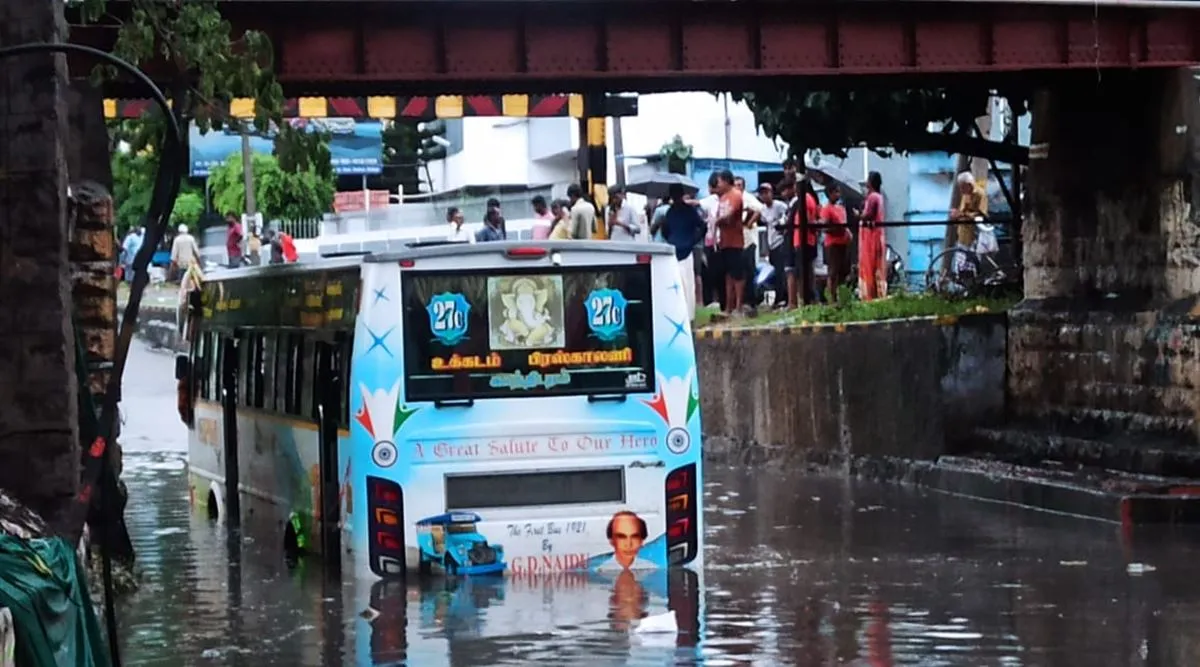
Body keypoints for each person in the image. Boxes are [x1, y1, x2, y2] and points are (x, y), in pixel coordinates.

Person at [660, 183, 707, 321]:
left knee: (683, 283)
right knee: (684, 284)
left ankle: (686, 315)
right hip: (680, 250)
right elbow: (703, 227)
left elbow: (665, 231)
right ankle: (685, 315)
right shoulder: (674, 212)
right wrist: (692, 240)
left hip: (681, 250)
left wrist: (691, 241)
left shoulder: (675, 212)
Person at [714, 170, 745, 315]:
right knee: (728, 275)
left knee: (737, 274)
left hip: (735, 241)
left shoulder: (736, 194)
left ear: (726, 181)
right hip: (724, 241)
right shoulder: (723, 197)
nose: (718, 184)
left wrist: (719, 221)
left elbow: (731, 213)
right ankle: (728, 307)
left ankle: (739, 306)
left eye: (719, 181)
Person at [856, 171, 887, 301]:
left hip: (871, 236)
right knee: (877, 264)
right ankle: (877, 292)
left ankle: (869, 294)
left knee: (869, 264)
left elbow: (868, 215)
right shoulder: (879, 196)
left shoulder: (873, 197)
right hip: (877, 234)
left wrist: (858, 215)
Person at [759, 182, 791, 309]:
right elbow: (767, 227)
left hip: (780, 241)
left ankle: (782, 298)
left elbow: (786, 219)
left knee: (781, 271)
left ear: (771, 193)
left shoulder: (780, 206)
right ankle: (779, 297)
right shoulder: (763, 210)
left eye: (766, 192)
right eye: (762, 193)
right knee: (776, 272)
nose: (764, 196)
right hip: (771, 243)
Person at [790, 179, 821, 307]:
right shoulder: (809, 199)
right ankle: (809, 299)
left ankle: (806, 300)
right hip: (805, 240)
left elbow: (808, 220)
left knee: (804, 274)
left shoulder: (805, 199)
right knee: (806, 272)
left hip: (804, 241)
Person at [734, 177, 763, 311]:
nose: (737, 187)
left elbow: (759, 209)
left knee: (750, 270)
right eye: (735, 185)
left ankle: (752, 301)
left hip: (749, 239)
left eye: (740, 185)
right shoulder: (734, 198)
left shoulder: (748, 198)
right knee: (740, 271)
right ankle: (742, 300)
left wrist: (749, 223)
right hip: (738, 240)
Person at [820, 184, 851, 304]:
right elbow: (824, 227)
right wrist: (836, 229)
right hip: (833, 243)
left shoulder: (841, 208)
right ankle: (831, 298)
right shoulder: (827, 209)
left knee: (843, 271)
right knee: (833, 271)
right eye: (835, 192)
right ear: (830, 194)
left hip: (844, 242)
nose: (838, 194)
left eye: (839, 192)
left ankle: (841, 296)